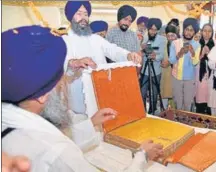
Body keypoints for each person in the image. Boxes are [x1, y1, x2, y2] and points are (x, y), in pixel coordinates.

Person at [2, 25, 163, 172]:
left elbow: (58, 137)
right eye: (61, 81)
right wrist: (142, 157)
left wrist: (91, 124)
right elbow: (58, 149)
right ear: (43, 96)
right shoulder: (58, 151)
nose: (64, 87)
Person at [63, 1, 141, 115]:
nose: (83, 17)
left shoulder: (96, 38)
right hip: (79, 100)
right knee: (83, 128)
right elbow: (63, 67)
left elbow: (113, 50)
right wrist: (74, 63)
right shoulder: (64, 41)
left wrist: (128, 55)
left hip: (102, 93)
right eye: (79, 13)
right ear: (70, 17)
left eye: (86, 14)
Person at [162, 18, 201, 111]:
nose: (188, 32)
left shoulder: (197, 45)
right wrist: (179, 54)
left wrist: (192, 52)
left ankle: (186, 123)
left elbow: (195, 63)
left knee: (188, 103)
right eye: (187, 29)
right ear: (183, 30)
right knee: (178, 103)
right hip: (176, 77)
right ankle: (178, 122)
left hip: (189, 79)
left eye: (191, 30)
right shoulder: (175, 43)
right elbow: (171, 60)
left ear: (194, 32)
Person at [140, 18, 166, 114]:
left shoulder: (163, 39)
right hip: (144, 70)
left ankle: (152, 111)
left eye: (155, 30)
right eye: (151, 29)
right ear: (148, 28)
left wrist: (156, 56)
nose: (153, 32)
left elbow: (162, 55)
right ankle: (142, 112)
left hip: (156, 70)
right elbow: (139, 53)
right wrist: (142, 49)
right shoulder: (143, 37)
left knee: (154, 93)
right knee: (142, 92)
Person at [195, 24, 215, 115]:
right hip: (199, 75)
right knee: (200, 98)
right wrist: (202, 53)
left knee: (210, 98)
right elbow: (194, 60)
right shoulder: (196, 43)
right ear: (201, 31)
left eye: (209, 31)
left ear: (212, 32)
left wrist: (210, 53)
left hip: (212, 76)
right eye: (205, 31)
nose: (207, 33)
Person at [160, 25, 178, 109]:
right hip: (166, 73)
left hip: (177, 74)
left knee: (176, 94)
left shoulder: (180, 44)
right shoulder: (164, 44)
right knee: (165, 92)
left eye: (172, 36)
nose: (170, 38)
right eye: (168, 36)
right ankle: (164, 111)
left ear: (176, 35)